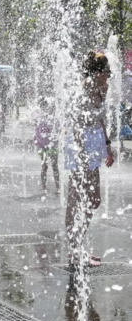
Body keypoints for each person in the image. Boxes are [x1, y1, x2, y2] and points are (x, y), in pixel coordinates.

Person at [64, 51, 115, 268]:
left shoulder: (103, 89)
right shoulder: (82, 91)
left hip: (94, 143)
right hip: (80, 144)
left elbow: (102, 118)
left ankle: (79, 248)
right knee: (77, 200)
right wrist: (82, 154)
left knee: (93, 200)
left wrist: (107, 145)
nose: (109, 75)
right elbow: (75, 125)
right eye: (107, 71)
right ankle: (75, 252)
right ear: (96, 72)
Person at [34, 98, 60, 194]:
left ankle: (57, 187)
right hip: (42, 146)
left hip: (52, 145)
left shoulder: (54, 118)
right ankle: (44, 187)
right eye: (44, 107)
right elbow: (37, 132)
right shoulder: (39, 118)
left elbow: (58, 130)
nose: (46, 109)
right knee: (45, 166)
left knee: (54, 166)